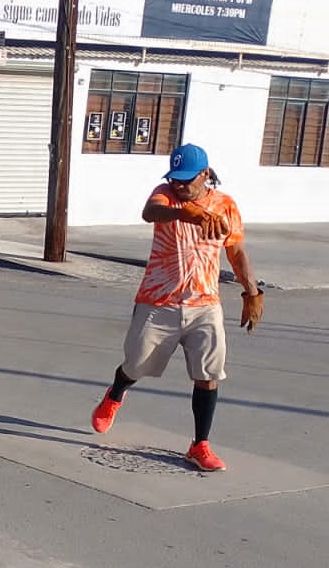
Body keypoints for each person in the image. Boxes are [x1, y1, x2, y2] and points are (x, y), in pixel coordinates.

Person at [89, 143, 263, 472]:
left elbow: (236, 252)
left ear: (206, 175)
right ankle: (116, 393)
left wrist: (251, 292)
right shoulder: (166, 196)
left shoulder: (226, 206)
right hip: (159, 301)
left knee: (208, 375)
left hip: (205, 304)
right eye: (175, 179)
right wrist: (186, 211)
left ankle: (199, 445)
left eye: (187, 180)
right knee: (135, 365)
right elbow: (150, 212)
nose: (179, 185)